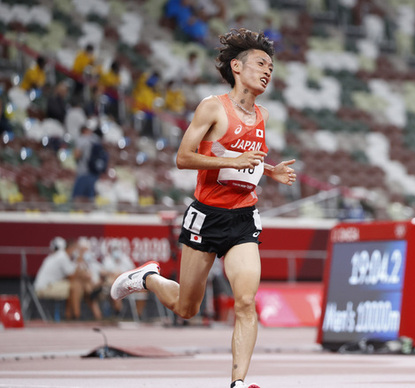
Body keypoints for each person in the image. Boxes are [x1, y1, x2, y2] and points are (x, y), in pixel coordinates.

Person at [110, 28, 296, 388]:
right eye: (261, 63)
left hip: (243, 217)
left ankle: (238, 383)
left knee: (245, 301)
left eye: (271, 66)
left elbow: (243, 158)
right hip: (206, 215)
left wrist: (270, 170)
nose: (268, 70)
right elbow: (183, 157)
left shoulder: (263, 115)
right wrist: (239, 159)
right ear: (237, 67)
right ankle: (147, 278)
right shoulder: (213, 107)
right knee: (187, 308)